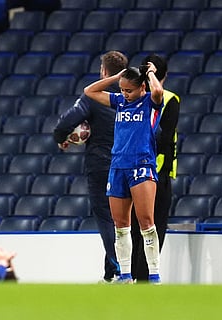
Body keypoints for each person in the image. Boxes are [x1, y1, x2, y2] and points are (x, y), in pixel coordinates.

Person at [83, 62, 164, 284]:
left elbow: (157, 90)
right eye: (122, 90)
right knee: (120, 226)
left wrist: (150, 73)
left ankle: (154, 275)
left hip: (141, 165)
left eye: (129, 90)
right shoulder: (119, 102)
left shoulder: (150, 102)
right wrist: (116, 77)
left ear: (142, 88)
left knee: (147, 223)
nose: (125, 94)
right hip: (117, 166)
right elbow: (89, 91)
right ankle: (126, 276)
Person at [53, 51, 128, 283]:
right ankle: (110, 276)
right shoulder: (134, 96)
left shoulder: (95, 96)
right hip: (129, 164)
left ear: (104, 72)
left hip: (101, 164)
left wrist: (61, 137)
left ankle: (121, 270)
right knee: (122, 220)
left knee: (107, 219)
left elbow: (67, 121)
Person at [131, 54, 180, 282]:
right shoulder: (169, 99)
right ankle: (144, 280)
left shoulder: (133, 97)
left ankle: (131, 277)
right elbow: (165, 139)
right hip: (156, 172)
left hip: (131, 171)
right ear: (165, 76)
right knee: (153, 228)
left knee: (133, 229)